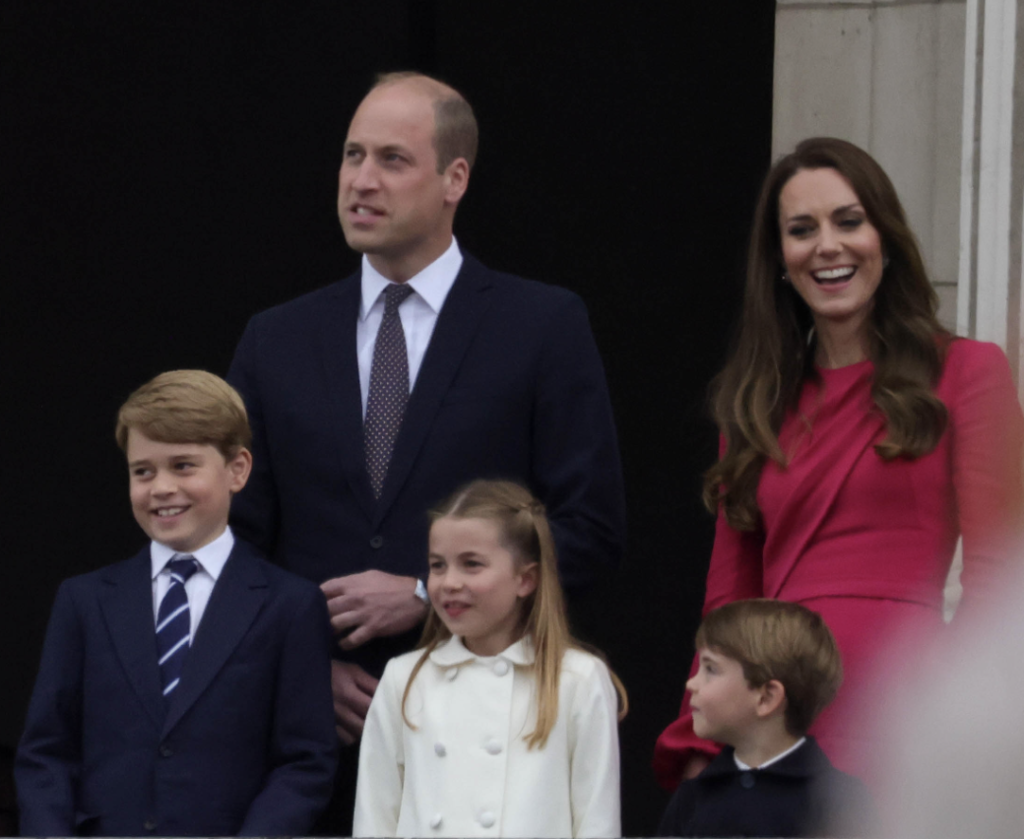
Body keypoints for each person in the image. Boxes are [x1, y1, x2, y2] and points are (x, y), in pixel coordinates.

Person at [226, 71, 625, 828]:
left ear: (455, 178)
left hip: (486, 743)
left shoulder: (540, 326)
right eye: (352, 155)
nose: (361, 180)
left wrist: (421, 591)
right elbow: (231, 544)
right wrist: (302, 669)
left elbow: (590, 529)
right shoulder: (275, 339)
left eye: (392, 159)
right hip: (306, 747)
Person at [653, 137, 1024, 789]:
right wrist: (700, 735)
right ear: (779, 259)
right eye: (802, 230)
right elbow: (730, 598)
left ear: (886, 239)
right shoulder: (755, 403)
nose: (827, 246)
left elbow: (1000, 577)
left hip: (902, 714)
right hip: (776, 719)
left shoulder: (968, 371)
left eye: (848, 221)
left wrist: (947, 716)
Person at [15, 371, 337, 836]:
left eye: (183, 466)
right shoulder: (84, 600)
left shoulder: (290, 604)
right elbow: (46, 753)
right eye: (142, 471)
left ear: (237, 469)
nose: (161, 487)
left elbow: (303, 763)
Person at [352, 480, 626, 838]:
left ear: (525, 580)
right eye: (437, 565)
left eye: (472, 564)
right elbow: (375, 816)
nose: (449, 582)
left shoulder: (577, 678)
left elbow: (597, 821)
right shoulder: (403, 678)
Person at [656, 600, 873, 838]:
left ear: (766, 697)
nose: (691, 683)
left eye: (711, 669)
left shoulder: (840, 801)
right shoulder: (692, 798)